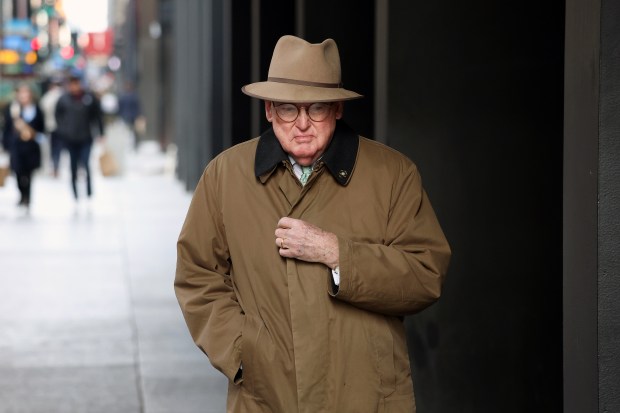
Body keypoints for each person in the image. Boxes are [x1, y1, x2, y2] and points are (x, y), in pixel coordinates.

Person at [175, 35, 451, 413]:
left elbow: (425, 273)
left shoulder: (393, 174)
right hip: (267, 396)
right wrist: (242, 353)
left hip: (365, 395)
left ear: (337, 109)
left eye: (317, 108)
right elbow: (197, 274)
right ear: (270, 110)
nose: (302, 124)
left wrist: (338, 254)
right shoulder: (225, 175)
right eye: (289, 109)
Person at [54, 75, 104, 201]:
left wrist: (101, 133)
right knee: (73, 166)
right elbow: (58, 116)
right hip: (70, 139)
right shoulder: (64, 99)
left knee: (86, 164)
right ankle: (75, 193)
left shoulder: (89, 98)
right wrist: (63, 130)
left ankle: (88, 191)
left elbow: (97, 116)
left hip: (86, 137)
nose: (74, 87)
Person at [1, 83, 45, 209]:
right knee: (18, 172)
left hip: (31, 147)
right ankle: (21, 194)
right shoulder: (13, 110)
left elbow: (41, 128)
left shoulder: (36, 109)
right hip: (17, 146)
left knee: (29, 173)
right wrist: (6, 144)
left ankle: (28, 197)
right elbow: (7, 129)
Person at [39, 76, 64, 177]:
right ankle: (56, 167)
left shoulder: (49, 97)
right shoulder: (62, 96)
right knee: (57, 148)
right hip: (56, 126)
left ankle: (55, 167)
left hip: (52, 126)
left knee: (54, 148)